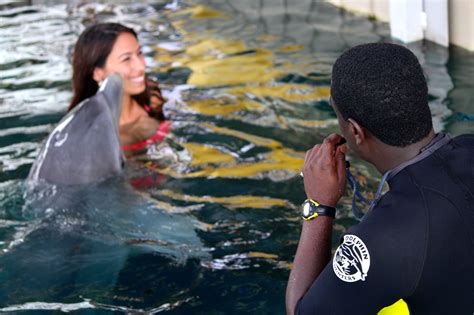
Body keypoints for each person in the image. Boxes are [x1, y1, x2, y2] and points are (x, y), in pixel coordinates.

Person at [286, 43, 474, 314]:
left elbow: (301, 311)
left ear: (355, 132)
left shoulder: (389, 235)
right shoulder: (468, 145)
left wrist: (318, 206)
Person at [69, 23, 169, 156]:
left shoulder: (152, 98)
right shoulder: (92, 138)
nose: (141, 66)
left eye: (139, 53)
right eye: (126, 59)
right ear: (97, 73)